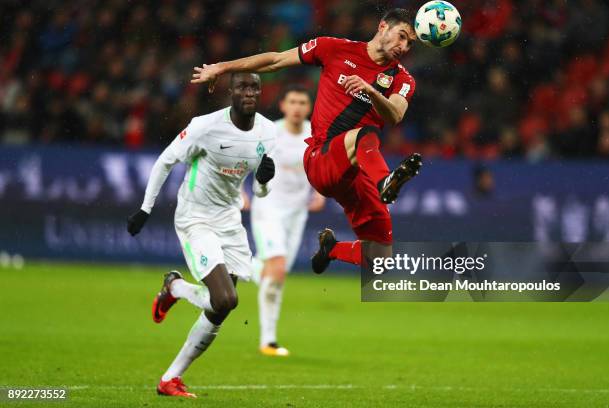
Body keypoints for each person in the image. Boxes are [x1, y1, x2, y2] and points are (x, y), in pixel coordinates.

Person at [191, 8, 422, 274]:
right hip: (321, 158)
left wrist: (370, 91)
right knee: (365, 134)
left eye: (410, 43)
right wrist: (222, 67)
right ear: (383, 26)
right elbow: (275, 60)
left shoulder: (402, 78)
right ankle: (385, 183)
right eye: (401, 36)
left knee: (381, 256)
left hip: (356, 172)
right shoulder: (334, 48)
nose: (403, 47)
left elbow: (394, 114)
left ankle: (331, 249)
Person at [126, 73, 276, 398]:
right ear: (231, 92)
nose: (249, 93)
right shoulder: (205, 127)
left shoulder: (268, 132)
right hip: (196, 217)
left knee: (220, 307)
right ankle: (176, 288)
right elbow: (165, 161)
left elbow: (261, 192)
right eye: (242, 87)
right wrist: (145, 208)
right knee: (226, 299)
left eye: (254, 88)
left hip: (230, 220)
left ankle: (170, 377)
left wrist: (264, 180)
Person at [250, 85, 325, 357]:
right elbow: (247, 159)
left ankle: (239, 264)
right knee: (277, 270)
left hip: (297, 212)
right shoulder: (271, 132)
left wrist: (318, 192)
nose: (296, 107)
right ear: (283, 105)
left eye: (302, 102)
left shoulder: (315, 134)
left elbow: (319, 166)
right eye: (292, 101)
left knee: (276, 277)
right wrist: (240, 192)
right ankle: (267, 340)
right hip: (268, 207)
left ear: (308, 108)